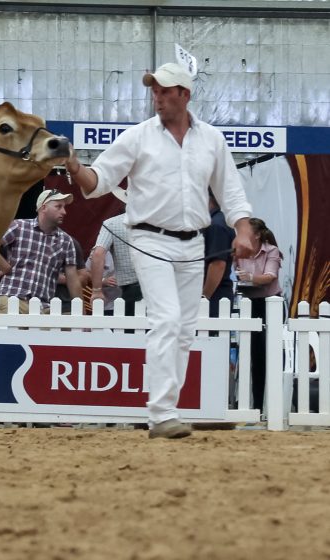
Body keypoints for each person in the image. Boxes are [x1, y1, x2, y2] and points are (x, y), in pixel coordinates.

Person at [66, 62, 256, 439]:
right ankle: (162, 414)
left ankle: (166, 410)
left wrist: (244, 229)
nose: (157, 97)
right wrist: (73, 165)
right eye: (154, 90)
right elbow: (98, 180)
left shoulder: (211, 139)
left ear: (185, 94)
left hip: (194, 242)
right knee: (166, 320)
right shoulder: (137, 137)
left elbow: (231, 192)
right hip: (149, 239)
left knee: (184, 330)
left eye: (165, 90)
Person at [0, 189, 83, 313]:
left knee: (62, 320)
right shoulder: (19, 226)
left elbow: (73, 279)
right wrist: (4, 267)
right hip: (14, 298)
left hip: (44, 306)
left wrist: (81, 311)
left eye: (64, 207)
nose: (64, 211)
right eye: (58, 207)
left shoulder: (66, 241)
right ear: (44, 208)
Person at [234, 218, 283, 411]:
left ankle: (265, 404)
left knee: (266, 353)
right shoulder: (240, 251)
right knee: (251, 353)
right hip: (249, 303)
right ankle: (253, 404)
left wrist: (251, 278)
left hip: (269, 303)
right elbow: (236, 274)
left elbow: (270, 276)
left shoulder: (271, 251)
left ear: (256, 235)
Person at [88, 189, 142, 316]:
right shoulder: (160, 223)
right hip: (160, 287)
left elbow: (98, 254)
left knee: (131, 326)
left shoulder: (111, 224)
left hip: (131, 289)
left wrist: (97, 290)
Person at [202, 190, 235, 318]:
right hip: (218, 293)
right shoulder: (220, 221)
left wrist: (204, 297)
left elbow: (218, 264)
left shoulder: (216, 225)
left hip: (214, 295)